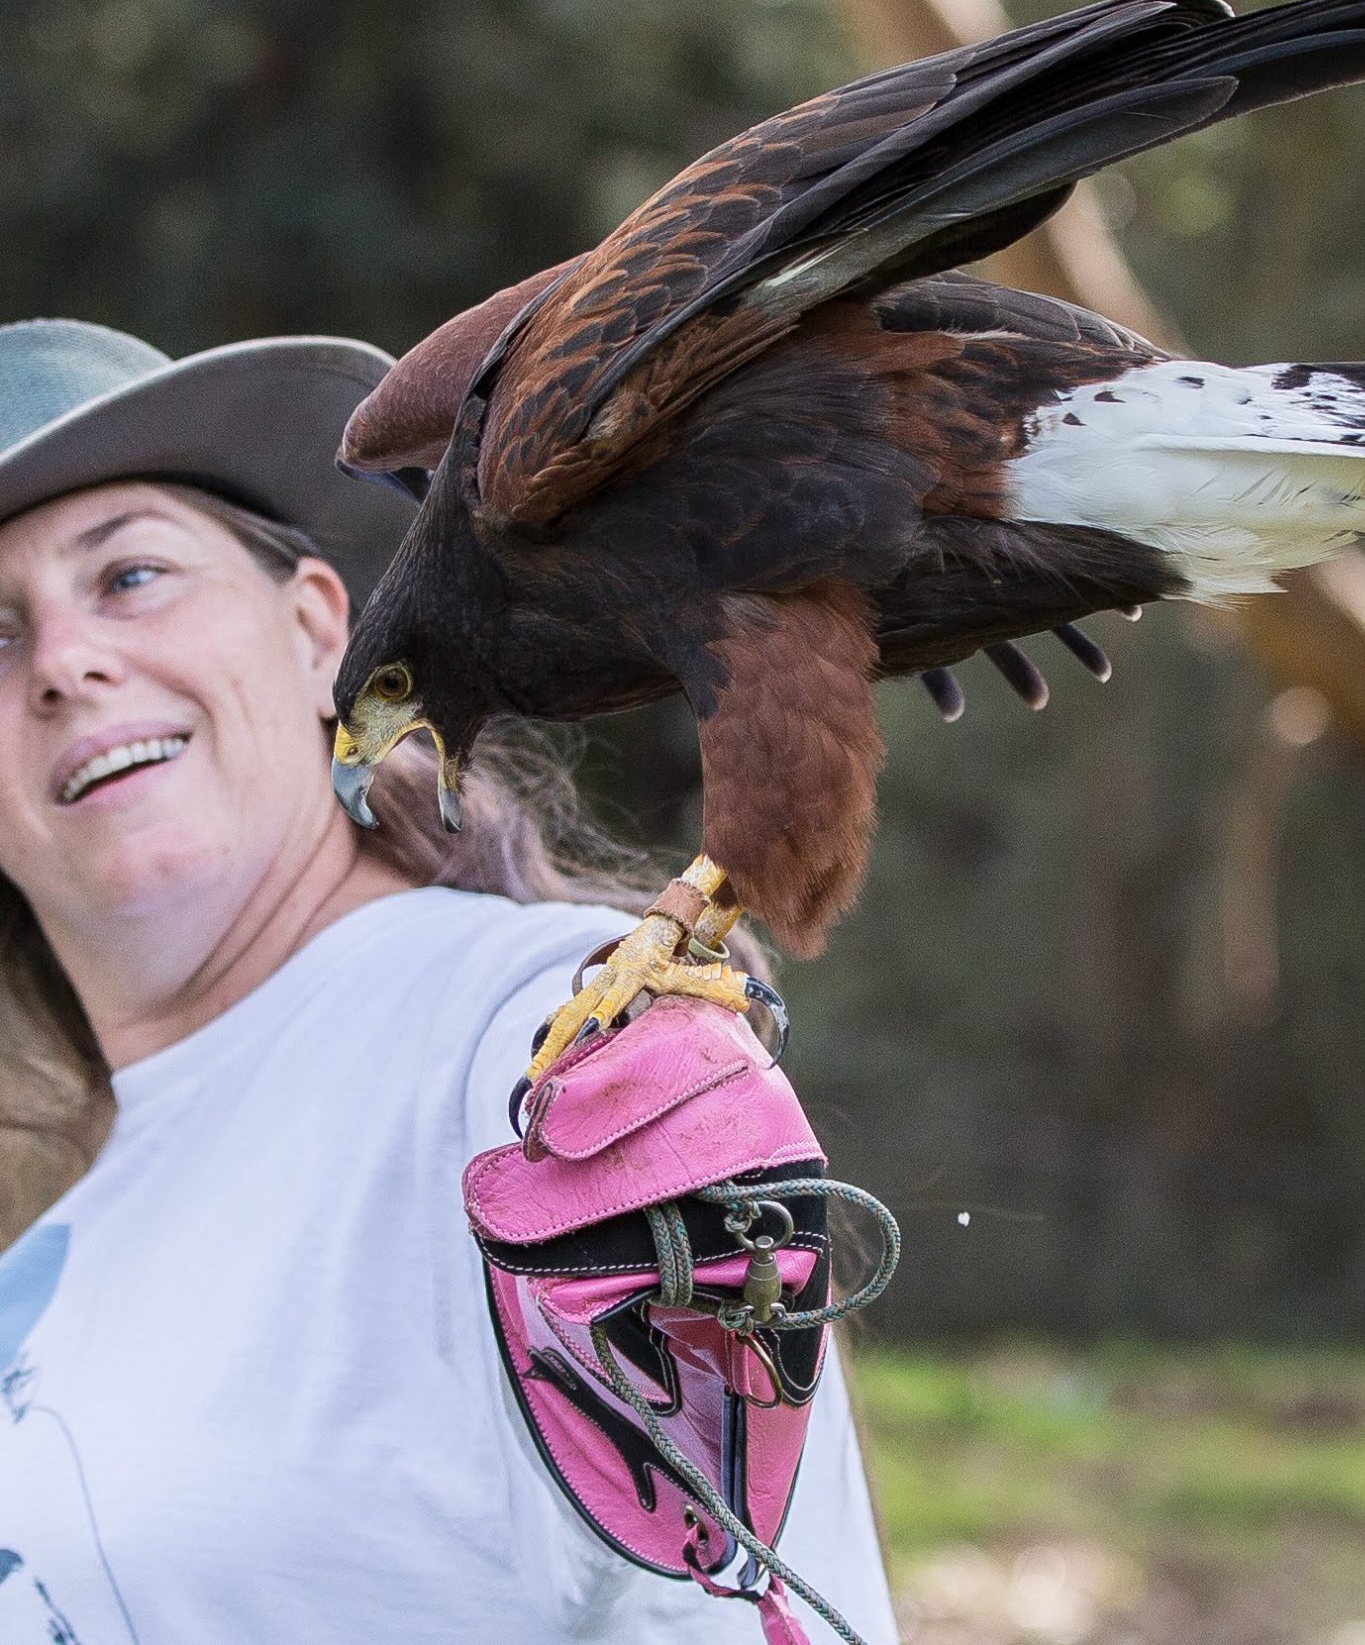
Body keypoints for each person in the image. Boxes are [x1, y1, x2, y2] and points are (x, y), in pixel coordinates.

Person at [0, 317, 897, 1645]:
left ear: (315, 632)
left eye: (130, 576)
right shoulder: (56, 1247)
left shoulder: (536, 1045)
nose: (65, 660)